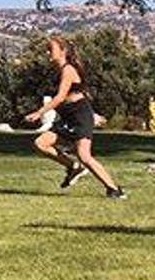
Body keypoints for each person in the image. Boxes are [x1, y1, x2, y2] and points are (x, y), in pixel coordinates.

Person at [24, 35, 127, 199]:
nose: (47, 53)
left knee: (84, 155)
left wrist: (39, 112)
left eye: (51, 49)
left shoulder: (68, 70)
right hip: (68, 117)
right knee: (40, 143)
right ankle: (73, 167)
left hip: (79, 116)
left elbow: (60, 97)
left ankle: (114, 189)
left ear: (63, 51)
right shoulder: (58, 71)